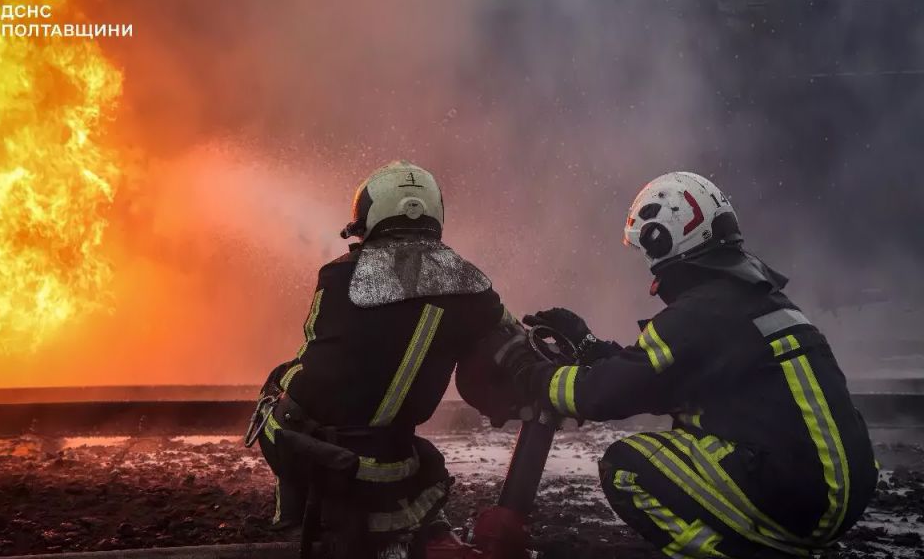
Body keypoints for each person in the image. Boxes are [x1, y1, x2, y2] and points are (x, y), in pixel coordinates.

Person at [500, 172, 878, 558]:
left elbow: (607, 396)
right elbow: (656, 377)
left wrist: (532, 375)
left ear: (663, 239)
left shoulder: (701, 312)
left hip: (795, 494)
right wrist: (588, 345)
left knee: (626, 468)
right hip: (840, 492)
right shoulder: (754, 301)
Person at [254, 161, 509, 556]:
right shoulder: (473, 290)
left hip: (330, 464)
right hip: (398, 459)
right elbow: (507, 329)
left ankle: (293, 524)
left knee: (279, 396)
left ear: (372, 214)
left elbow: (315, 359)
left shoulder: (340, 278)